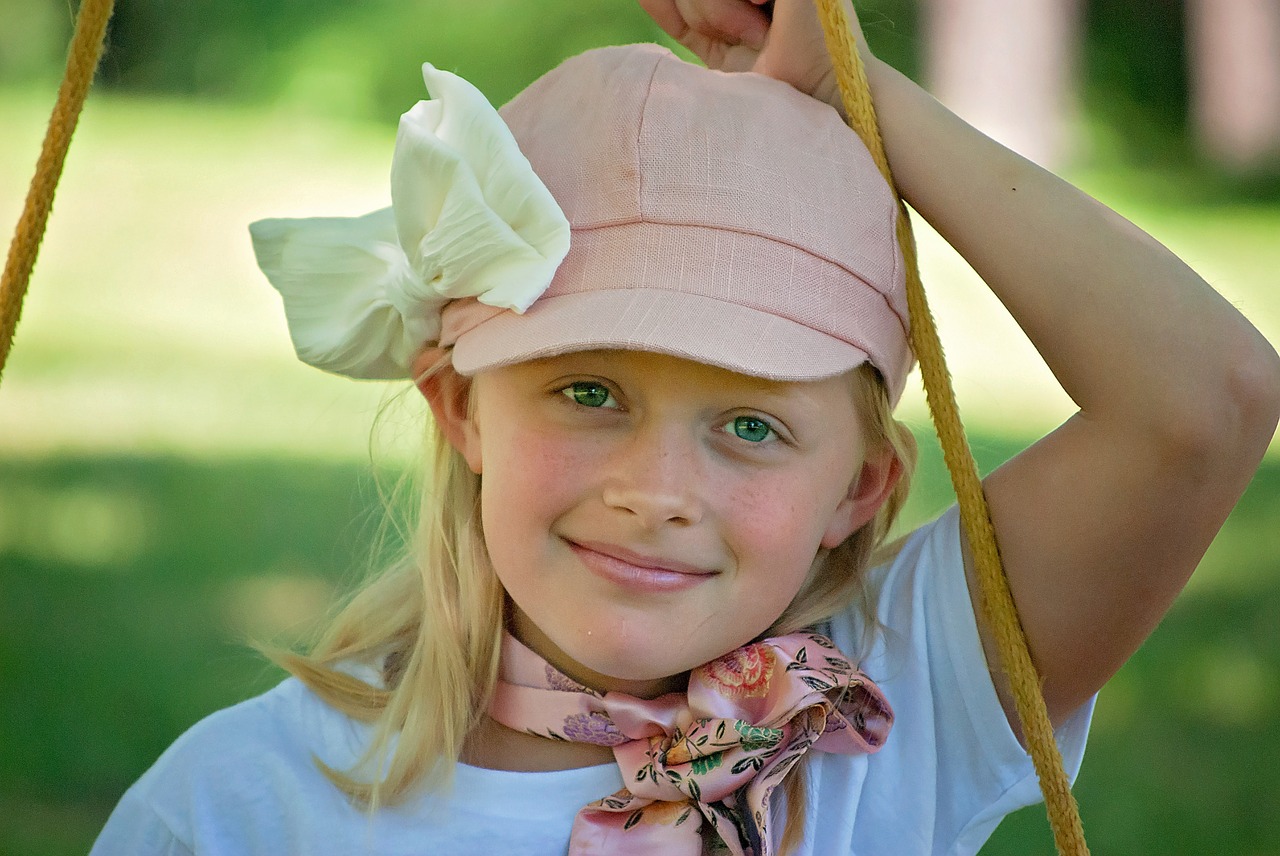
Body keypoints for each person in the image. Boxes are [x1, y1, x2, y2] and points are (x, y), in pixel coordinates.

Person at [90, 1, 1280, 854]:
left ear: (860, 488)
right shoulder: (241, 804)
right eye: (589, 391)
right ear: (460, 406)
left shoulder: (897, 697)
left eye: (753, 425)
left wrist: (858, 87)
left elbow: (1206, 396)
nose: (657, 488)